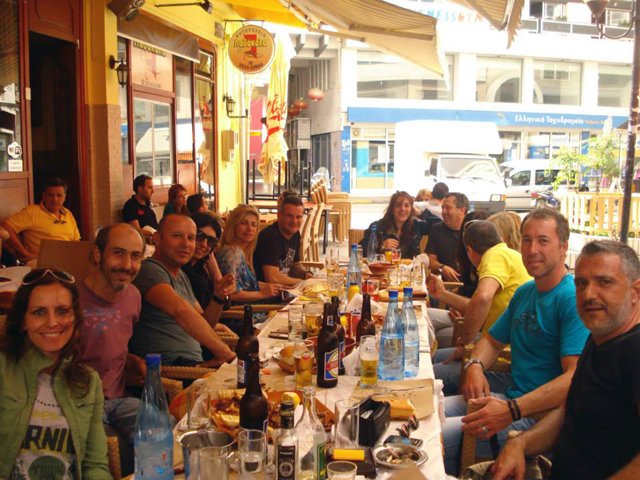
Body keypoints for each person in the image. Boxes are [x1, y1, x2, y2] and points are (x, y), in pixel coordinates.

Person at [441, 208, 590, 475]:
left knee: (433, 436)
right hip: (507, 395)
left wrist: (512, 409)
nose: (532, 249)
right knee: (429, 412)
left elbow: (574, 378)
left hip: (538, 419)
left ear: (563, 247)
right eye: (527, 240)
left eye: (543, 241)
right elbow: (491, 341)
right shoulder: (526, 292)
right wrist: (475, 366)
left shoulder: (570, 299)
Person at [491, 240, 640, 480]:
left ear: (636, 292)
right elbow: (569, 411)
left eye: (604, 282)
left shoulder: (634, 351)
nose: (588, 294)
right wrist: (521, 443)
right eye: (581, 283)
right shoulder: (598, 339)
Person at [0, 269, 111, 479]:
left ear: (75, 317)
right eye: (39, 312)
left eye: (62, 311)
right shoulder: (3, 370)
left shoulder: (88, 381)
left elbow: (95, 465)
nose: (52, 322)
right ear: (23, 321)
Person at [428, 220, 530, 393]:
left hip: (500, 360)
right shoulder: (510, 254)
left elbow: (483, 298)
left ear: (469, 250)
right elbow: (478, 304)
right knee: (429, 357)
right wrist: (443, 294)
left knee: (423, 375)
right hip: (494, 347)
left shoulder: (495, 256)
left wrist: (465, 343)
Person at [77, 224, 145, 468]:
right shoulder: (69, 302)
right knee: (120, 455)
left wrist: (133, 360)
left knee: (162, 430)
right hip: (80, 404)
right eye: (118, 253)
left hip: (119, 400)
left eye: (135, 256)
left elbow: (111, 343)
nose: (127, 265)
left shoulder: (133, 296)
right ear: (97, 254)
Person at [129, 214, 236, 367]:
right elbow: (180, 310)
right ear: (157, 238)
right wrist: (225, 353)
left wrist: (218, 297)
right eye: (177, 236)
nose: (186, 244)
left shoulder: (181, 275)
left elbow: (205, 323)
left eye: (191, 238)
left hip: (195, 365)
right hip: (170, 369)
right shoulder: (149, 270)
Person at [1, 177, 81, 262]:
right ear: (44, 196)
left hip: (68, 259)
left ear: (64, 197)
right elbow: (5, 227)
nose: (55, 199)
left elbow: (76, 241)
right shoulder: (32, 212)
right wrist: (25, 253)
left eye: (59, 195)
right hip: (42, 261)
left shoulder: (68, 213)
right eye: (50, 195)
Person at [216, 204, 284, 303]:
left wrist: (273, 287)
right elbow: (229, 294)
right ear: (233, 225)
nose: (250, 229)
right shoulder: (232, 255)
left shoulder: (242, 251)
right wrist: (262, 294)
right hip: (244, 311)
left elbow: (247, 284)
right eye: (244, 223)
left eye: (253, 225)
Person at [254, 195, 313, 286]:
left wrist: (305, 274)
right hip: (268, 293)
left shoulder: (295, 234)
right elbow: (272, 278)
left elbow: (294, 264)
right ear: (279, 215)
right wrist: (303, 283)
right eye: (289, 216)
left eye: (298, 217)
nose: (294, 221)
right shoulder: (269, 237)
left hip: (286, 289)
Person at [360, 191, 430, 260]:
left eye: (406, 205)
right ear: (392, 209)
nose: (402, 209)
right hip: (383, 266)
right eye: (398, 205)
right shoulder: (377, 226)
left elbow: (435, 225)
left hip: (410, 267)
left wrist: (420, 213)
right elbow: (361, 250)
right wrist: (380, 245)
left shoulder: (416, 226)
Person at [426, 192, 468, 281]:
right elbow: (430, 260)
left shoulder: (472, 230)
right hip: (445, 284)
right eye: (442, 208)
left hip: (469, 284)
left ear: (462, 211)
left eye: (448, 208)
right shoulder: (437, 229)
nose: (443, 212)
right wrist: (442, 268)